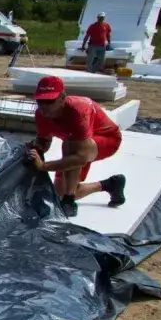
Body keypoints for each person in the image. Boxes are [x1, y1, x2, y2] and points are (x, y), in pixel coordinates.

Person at [25, 75, 126, 218]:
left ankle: (69, 201)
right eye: (40, 101)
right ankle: (110, 184)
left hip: (108, 140)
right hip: (80, 145)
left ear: (62, 98)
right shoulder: (41, 114)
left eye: (49, 101)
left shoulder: (77, 111)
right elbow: (44, 140)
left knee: (70, 145)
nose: (44, 107)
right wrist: (36, 149)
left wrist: (43, 166)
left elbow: (80, 158)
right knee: (58, 194)